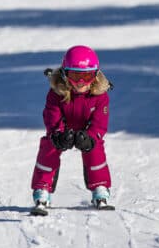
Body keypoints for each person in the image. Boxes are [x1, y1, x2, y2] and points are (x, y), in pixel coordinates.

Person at [30, 45, 113, 212]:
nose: (81, 83)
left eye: (86, 76)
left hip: (86, 130)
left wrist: (91, 137)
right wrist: (57, 133)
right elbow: (51, 114)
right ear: (64, 74)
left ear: (95, 75)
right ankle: (42, 190)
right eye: (75, 75)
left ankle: (100, 189)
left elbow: (100, 122)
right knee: (49, 147)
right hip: (63, 128)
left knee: (95, 149)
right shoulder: (56, 92)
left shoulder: (100, 95)